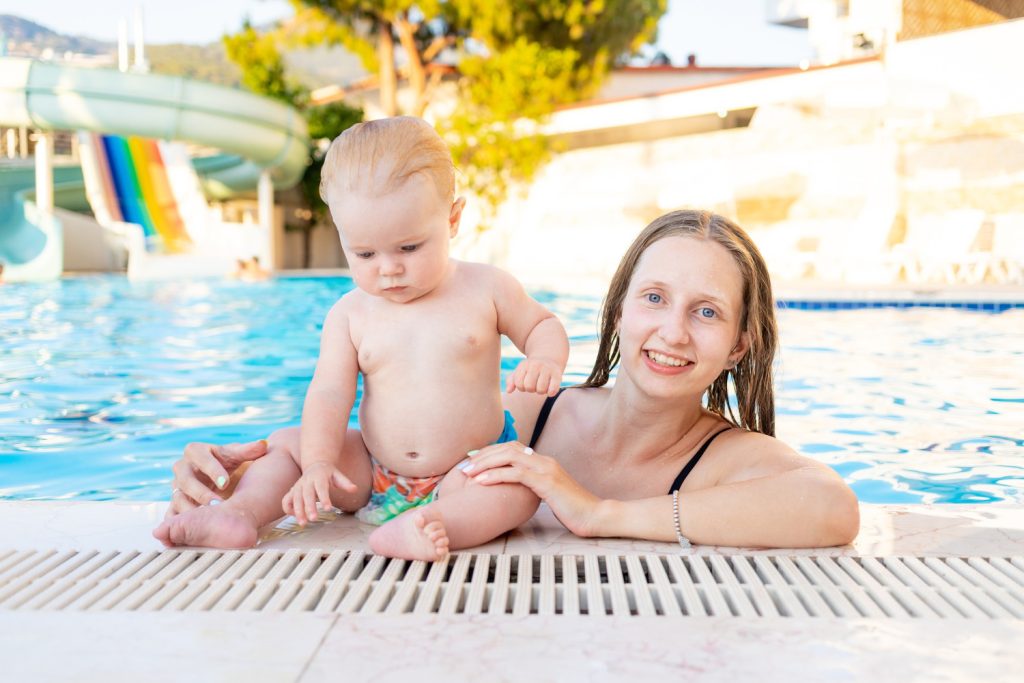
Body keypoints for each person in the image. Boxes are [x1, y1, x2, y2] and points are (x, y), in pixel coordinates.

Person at [161, 210, 860, 550]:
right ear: (618, 308)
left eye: (705, 312)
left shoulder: (723, 456)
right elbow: (390, 451)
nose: (673, 331)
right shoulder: (532, 409)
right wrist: (227, 472)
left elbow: (832, 508)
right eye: (654, 298)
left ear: (739, 344)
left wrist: (600, 513)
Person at [154, 117, 569, 560]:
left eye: (409, 248)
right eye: (365, 253)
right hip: (372, 470)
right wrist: (317, 463)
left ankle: (432, 523)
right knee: (287, 444)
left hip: (467, 468)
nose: (388, 268)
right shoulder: (350, 313)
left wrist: (545, 359)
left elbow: (543, 325)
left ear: (452, 219)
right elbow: (330, 393)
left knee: (518, 489)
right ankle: (239, 514)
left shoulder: (487, 288)